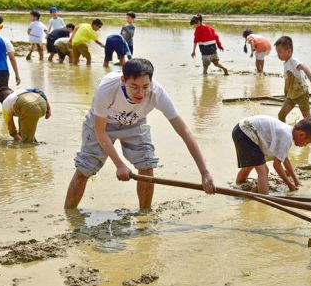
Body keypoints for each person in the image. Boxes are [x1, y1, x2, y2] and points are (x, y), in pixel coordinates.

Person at [64, 58, 215, 210]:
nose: (141, 93)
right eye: (134, 87)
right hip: (103, 123)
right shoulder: (106, 89)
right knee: (85, 168)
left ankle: (144, 218)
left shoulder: (156, 93)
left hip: (135, 122)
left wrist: (204, 172)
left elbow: (185, 132)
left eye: (145, 86)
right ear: (123, 80)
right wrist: (120, 165)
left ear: (151, 82)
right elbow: (100, 131)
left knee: (147, 165)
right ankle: (69, 216)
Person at [232, 115, 311, 194]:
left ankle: (238, 185)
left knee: (251, 164)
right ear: (301, 134)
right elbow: (277, 165)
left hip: (241, 129)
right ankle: (264, 201)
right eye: (307, 142)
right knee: (263, 171)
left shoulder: (287, 131)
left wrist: (296, 180)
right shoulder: (287, 138)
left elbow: (285, 159)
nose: (305, 145)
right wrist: (289, 184)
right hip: (246, 132)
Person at [274, 36, 311, 121]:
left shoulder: (293, 61)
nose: (278, 55)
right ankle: (283, 132)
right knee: (281, 115)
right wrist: (286, 93)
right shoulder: (287, 63)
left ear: (289, 51)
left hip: (301, 94)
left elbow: (305, 67)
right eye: (277, 52)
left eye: (280, 52)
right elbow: (288, 80)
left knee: (308, 119)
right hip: (291, 95)